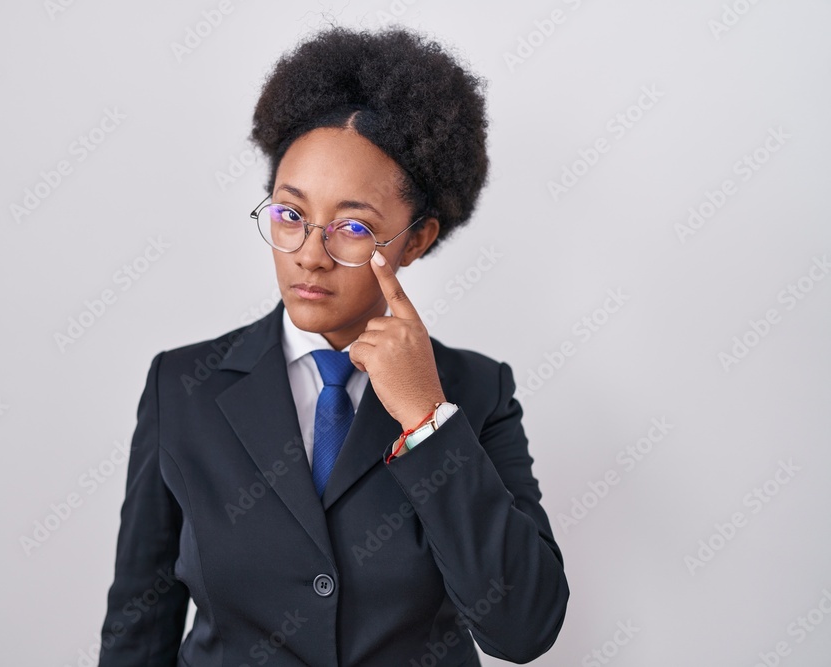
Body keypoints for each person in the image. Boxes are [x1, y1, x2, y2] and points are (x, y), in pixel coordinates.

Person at [97, 24, 568, 667]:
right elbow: (137, 629)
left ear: (417, 238)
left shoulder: (475, 393)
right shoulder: (183, 387)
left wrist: (427, 419)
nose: (310, 257)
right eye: (290, 215)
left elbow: (523, 628)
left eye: (352, 227)